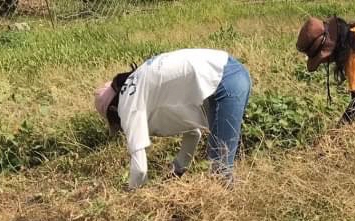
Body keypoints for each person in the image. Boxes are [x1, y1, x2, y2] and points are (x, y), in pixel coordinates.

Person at [93, 48, 251, 190]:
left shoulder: (127, 102)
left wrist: (134, 199)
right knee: (218, 164)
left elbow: (140, 170)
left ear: (114, 110)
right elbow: (193, 131)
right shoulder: (140, 84)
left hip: (224, 81)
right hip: (231, 72)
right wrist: (177, 170)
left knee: (219, 171)